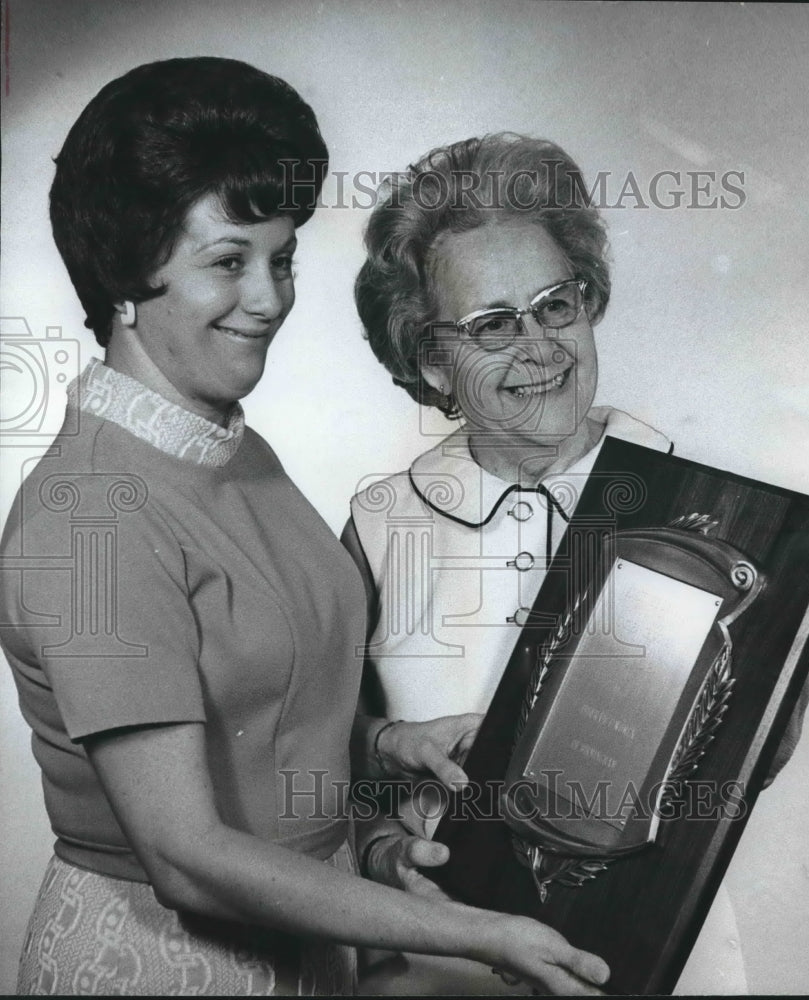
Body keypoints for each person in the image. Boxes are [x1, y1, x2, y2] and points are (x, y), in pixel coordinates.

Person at [0, 65, 611, 996]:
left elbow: (258, 715)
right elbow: (186, 855)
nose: (270, 297)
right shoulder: (91, 514)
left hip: (307, 951)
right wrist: (482, 933)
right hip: (163, 967)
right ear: (126, 275)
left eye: (281, 258)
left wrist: (383, 747)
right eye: (228, 260)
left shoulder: (233, 451)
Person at [345, 133, 809, 995]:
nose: (539, 348)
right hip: (448, 966)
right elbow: (324, 750)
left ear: (588, 303)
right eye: (492, 324)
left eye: (555, 305)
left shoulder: (702, 509)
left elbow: (747, 756)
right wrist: (381, 851)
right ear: (430, 360)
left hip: (646, 960)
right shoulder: (380, 525)